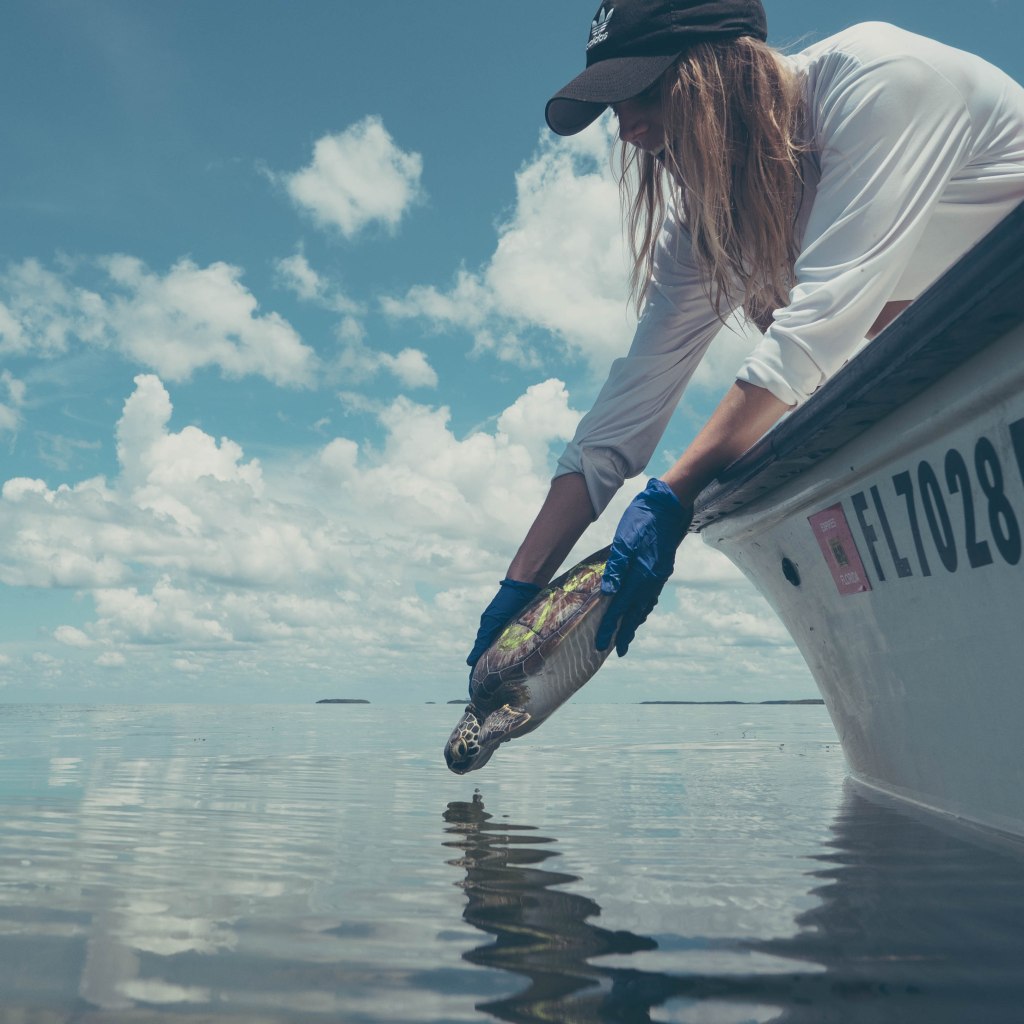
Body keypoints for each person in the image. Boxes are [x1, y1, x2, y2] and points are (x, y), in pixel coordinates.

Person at [467, 0, 1024, 667]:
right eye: (614, 109)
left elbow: (820, 323)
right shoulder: (705, 230)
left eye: (643, 91)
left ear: (722, 65)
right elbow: (626, 410)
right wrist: (521, 583)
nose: (628, 129)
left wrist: (677, 491)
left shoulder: (878, 79)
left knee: (806, 316)